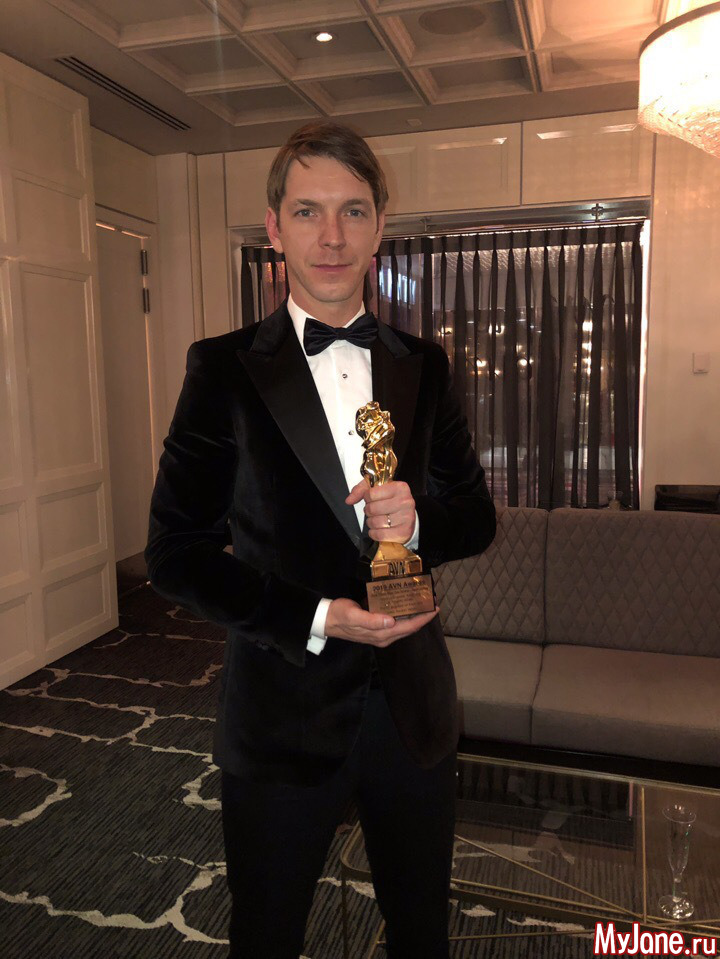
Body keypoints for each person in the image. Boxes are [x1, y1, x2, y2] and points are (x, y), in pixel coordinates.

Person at [145, 121, 496, 959]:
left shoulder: (425, 365)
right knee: (266, 936)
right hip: (281, 712)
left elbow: (476, 517)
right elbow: (175, 552)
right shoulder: (221, 369)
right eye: (307, 211)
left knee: (422, 932)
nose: (331, 236)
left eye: (352, 211)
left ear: (380, 226)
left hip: (412, 706)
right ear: (274, 228)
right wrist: (316, 616)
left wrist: (419, 519)